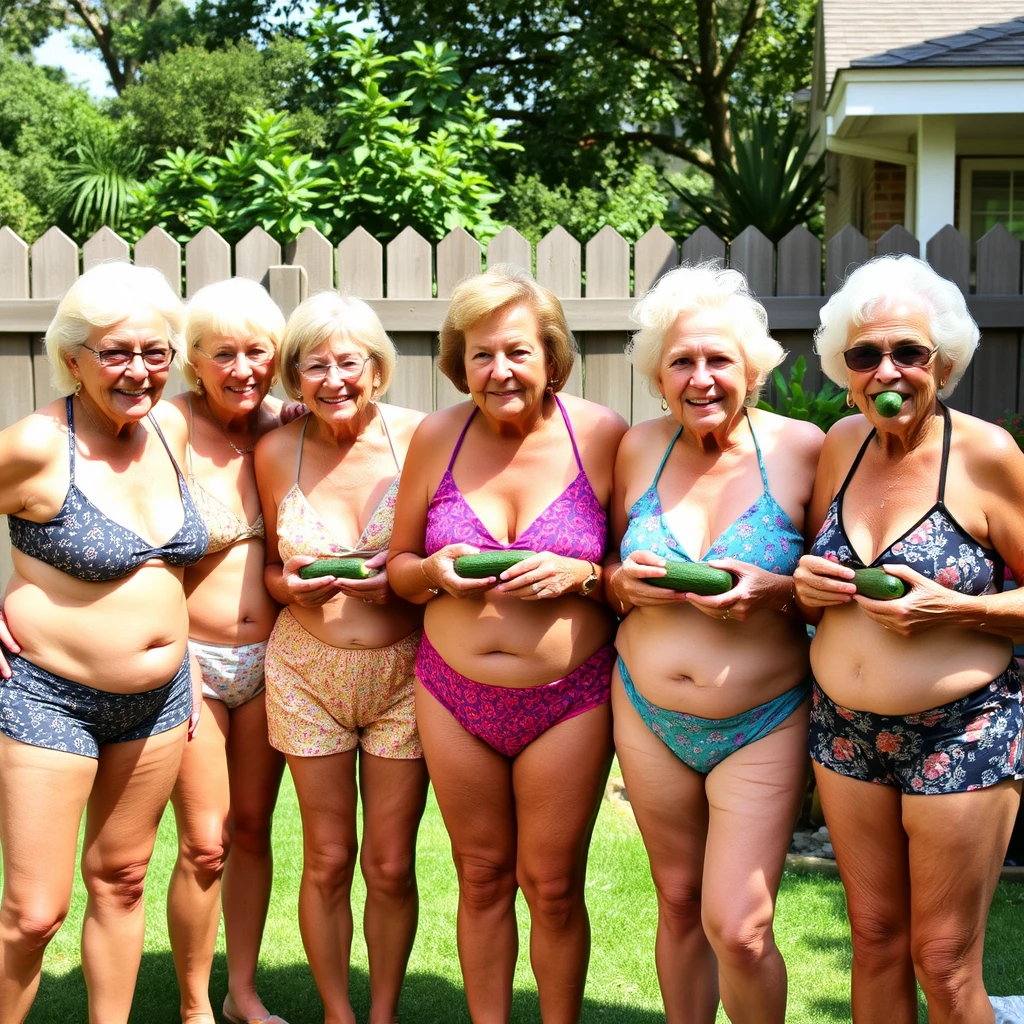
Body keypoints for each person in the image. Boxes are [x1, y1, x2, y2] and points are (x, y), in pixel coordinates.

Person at [388, 264, 627, 1024]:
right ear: (460, 360)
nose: (499, 370)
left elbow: (633, 572)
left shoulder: (600, 435)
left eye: (518, 352)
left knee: (553, 884)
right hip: (452, 696)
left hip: (571, 697)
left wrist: (582, 574)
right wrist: (432, 570)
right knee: (481, 875)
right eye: (481, 353)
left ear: (552, 356)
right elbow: (397, 570)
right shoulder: (436, 435)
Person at [794, 254, 1024, 1024]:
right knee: (874, 938)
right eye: (865, 355)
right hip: (845, 731)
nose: (886, 370)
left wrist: (956, 612)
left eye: (908, 353)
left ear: (945, 362)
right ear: (844, 369)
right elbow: (816, 577)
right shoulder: (841, 445)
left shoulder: (986, 454)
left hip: (960, 731)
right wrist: (808, 588)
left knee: (945, 962)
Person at [605, 264, 823, 1023]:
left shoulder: (803, 449)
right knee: (677, 900)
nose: (701, 378)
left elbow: (840, 580)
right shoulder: (635, 449)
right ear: (658, 376)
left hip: (762, 718)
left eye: (719, 360)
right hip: (645, 710)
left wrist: (778, 591)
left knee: (740, 924)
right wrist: (621, 586)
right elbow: (604, 573)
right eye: (682, 362)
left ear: (753, 368)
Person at [0, 260, 207, 1023]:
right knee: (33, 913)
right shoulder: (35, 446)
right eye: (116, 353)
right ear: (73, 359)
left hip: (159, 702)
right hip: (48, 700)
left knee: (122, 879)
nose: (139, 370)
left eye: (156, 352)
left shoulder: (170, 428)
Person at [254, 292, 428, 1024]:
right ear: (295, 376)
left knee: (389, 864)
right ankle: (337, 1014)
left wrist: (409, 577)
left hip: (405, 674)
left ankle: (381, 1013)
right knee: (326, 859)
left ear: (377, 368)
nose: (332, 379)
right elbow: (268, 566)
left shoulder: (421, 438)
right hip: (305, 671)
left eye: (347, 361)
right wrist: (286, 584)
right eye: (314, 364)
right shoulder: (274, 451)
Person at [154, 278, 290, 1024]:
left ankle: (242, 994)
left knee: (252, 831)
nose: (242, 368)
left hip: (274, 663)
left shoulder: (290, 428)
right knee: (206, 842)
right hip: (191, 663)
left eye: (257, 352)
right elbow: (74, 506)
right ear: (193, 362)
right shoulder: (164, 428)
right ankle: (193, 1005)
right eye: (223, 354)